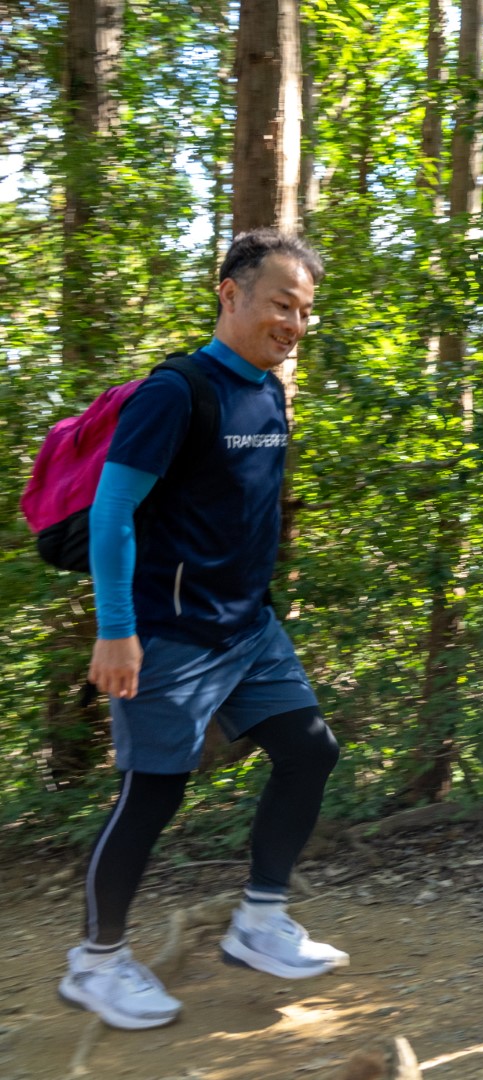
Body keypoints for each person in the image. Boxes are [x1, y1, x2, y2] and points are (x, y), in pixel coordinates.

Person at [58, 229, 347, 1030]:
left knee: (309, 750)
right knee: (152, 795)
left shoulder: (269, 392)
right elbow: (114, 510)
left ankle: (260, 921)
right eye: (280, 304)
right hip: (169, 632)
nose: (293, 323)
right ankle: (98, 962)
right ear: (231, 293)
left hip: (248, 628)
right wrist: (116, 630)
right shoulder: (176, 393)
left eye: (305, 311)